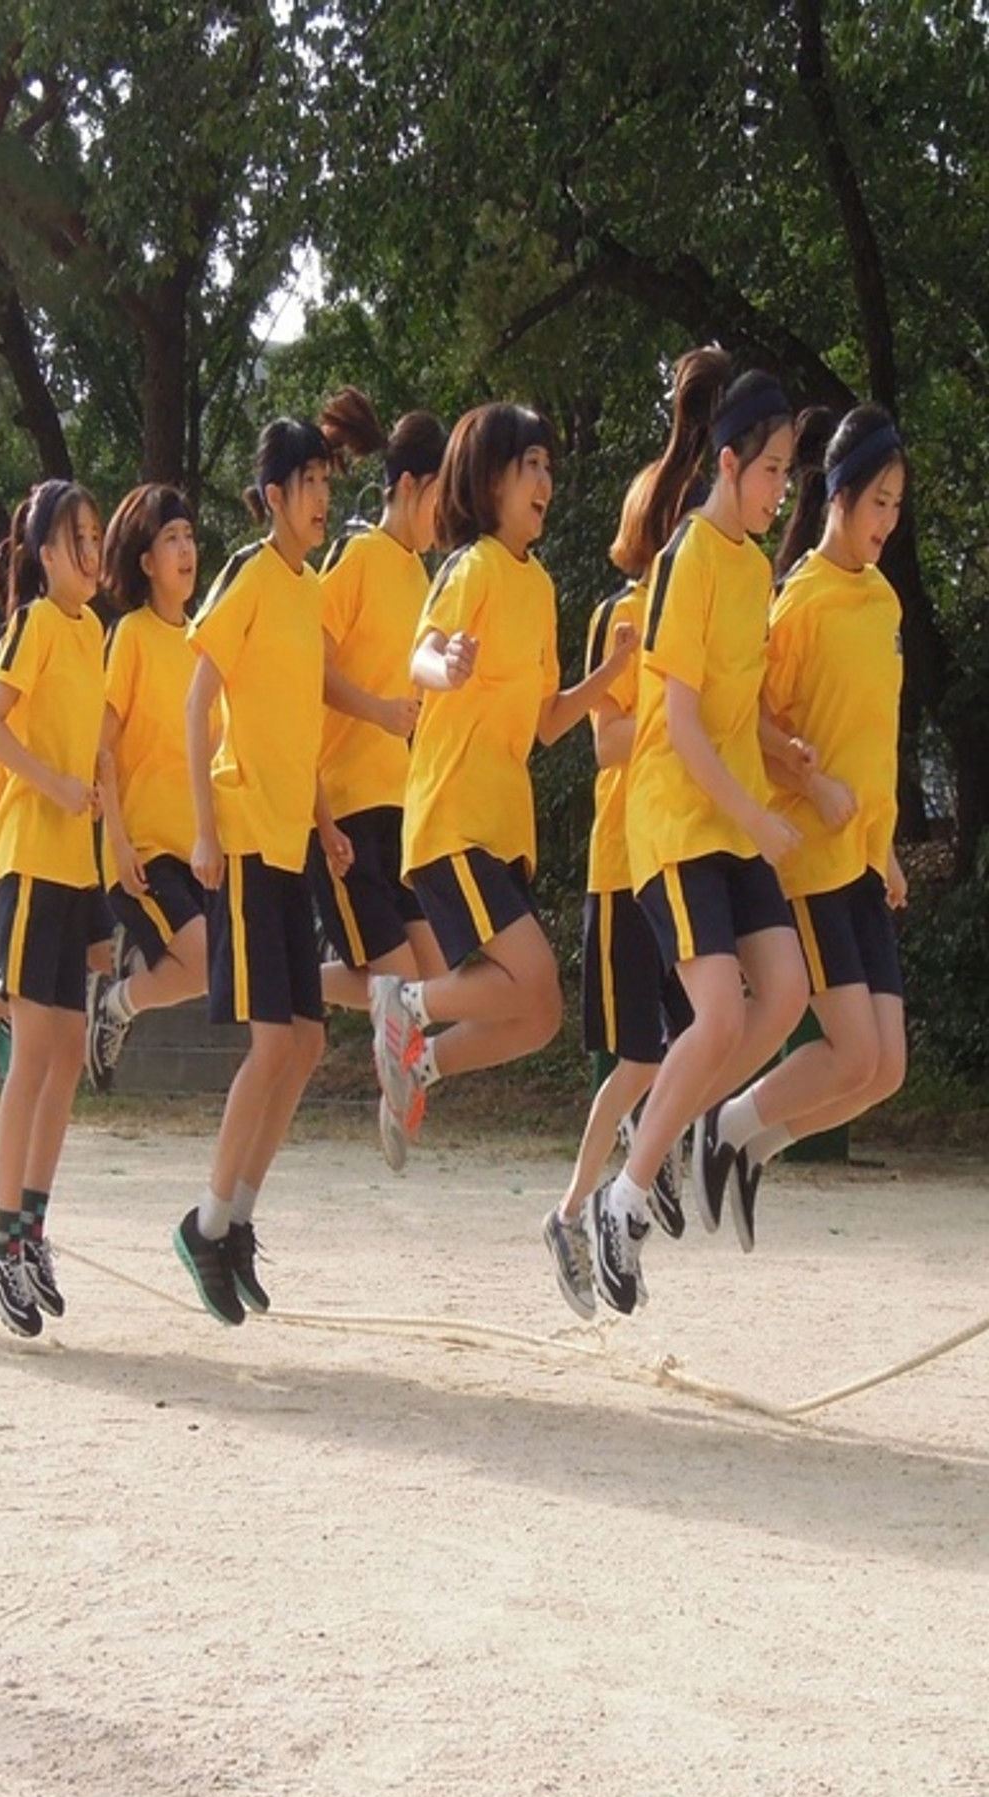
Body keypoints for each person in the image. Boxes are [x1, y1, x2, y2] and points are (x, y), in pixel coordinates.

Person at [585, 350, 810, 1313]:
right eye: (769, 472)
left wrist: (781, 750)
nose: (779, 489)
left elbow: (736, 697)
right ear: (726, 463)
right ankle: (621, 1202)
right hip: (678, 821)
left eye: (788, 474)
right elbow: (675, 721)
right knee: (719, 1011)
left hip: (735, 820)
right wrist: (756, 810)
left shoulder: (759, 566)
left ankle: (690, 1123)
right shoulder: (685, 558)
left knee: (787, 993)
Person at [367, 402, 637, 1172]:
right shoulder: (471, 564)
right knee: (535, 976)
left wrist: (611, 677)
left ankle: (418, 1064)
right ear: (489, 479)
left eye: (550, 466)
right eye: (532, 466)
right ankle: (404, 1004)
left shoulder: (541, 586)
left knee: (540, 1012)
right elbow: (417, 659)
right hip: (452, 820)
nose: (546, 479)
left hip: (503, 829)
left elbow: (548, 723)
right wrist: (444, 668)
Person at [704, 404, 909, 1245]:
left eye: (898, 506)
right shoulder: (798, 603)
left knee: (885, 1070)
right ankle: (723, 1123)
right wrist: (808, 781)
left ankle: (753, 1145)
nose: (887, 522)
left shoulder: (885, 602)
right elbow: (749, 716)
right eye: (878, 503)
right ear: (839, 494)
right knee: (853, 1053)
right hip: (810, 861)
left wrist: (889, 849)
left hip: (862, 859)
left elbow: (869, 741)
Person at [172, 417, 352, 1326]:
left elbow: (298, 723)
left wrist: (325, 825)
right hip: (242, 835)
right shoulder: (247, 573)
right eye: (309, 483)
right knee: (275, 1043)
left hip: (290, 840)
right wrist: (204, 827)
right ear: (272, 496)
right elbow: (201, 699)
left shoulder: (311, 587)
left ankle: (235, 1221)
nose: (323, 498)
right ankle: (207, 1222)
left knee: (309, 1043)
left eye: (327, 481)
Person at [541, 466, 698, 1317]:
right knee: (638, 1055)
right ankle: (572, 1211)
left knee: (709, 1028)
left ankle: (651, 1151)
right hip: (619, 864)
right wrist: (692, 714)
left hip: (680, 859)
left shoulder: (702, 614)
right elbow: (605, 745)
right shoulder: (623, 615)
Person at [0, 480, 108, 1338]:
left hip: (75, 865)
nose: (92, 549)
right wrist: (55, 782)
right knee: (33, 1050)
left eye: (97, 534)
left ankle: (29, 1231)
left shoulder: (96, 630)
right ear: (45, 554)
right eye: (77, 538)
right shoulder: (31, 624)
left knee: (64, 1054)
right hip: (25, 857)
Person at [305, 390, 449, 1162]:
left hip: (404, 812)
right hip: (351, 808)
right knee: (394, 989)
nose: (444, 517)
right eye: (440, 498)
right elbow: (310, 667)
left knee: (432, 980)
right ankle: (393, 1107)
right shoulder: (357, 558)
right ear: (410, 487)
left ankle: (290, 973)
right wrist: (380, 711)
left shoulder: (424, 576)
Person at [84, 482, 207, 1092]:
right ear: (145, 561)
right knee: (209, 956)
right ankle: (118, 999)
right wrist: (121, 843)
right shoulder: (130, 634)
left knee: (218, 969)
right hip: (144, 851)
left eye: (189, 537)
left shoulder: (205, 640)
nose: (186, 550)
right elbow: (100, 746)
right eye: (171, 539)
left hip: (199, 850)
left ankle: (119, 997)